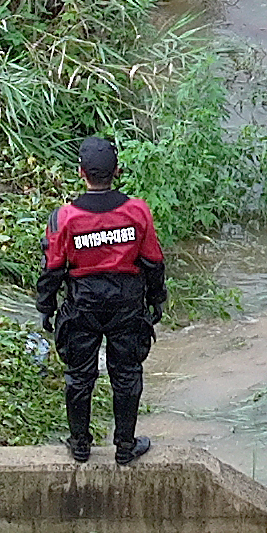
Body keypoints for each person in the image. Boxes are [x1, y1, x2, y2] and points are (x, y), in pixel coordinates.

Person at [36, 137, 166, 465]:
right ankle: (125, 446)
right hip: (126, 304)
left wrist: (46, 306)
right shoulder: (137, 211)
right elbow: (153, 262)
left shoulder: (64, 217)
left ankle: (80, 445)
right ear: (117, 171)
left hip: (82, 306)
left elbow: (52, 267)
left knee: (79, 376)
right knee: (126, 374)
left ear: (81, 173)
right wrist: (157, 299)